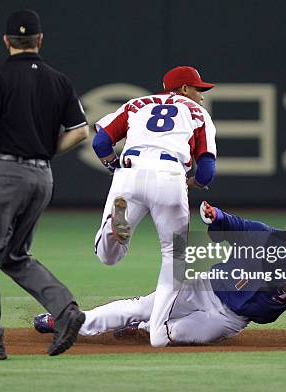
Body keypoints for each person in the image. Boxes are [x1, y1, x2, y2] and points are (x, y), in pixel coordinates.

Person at [33, 202, 286, 348]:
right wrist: (212, 216)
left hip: (227, 319)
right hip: (200, 287)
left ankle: (141, 331)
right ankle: (65, 320)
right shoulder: (260, 234)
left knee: (169, 334)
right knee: (142, 307)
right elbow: (225, 221)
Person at [0, 9, 89, 360]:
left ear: (7, 41)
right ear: (39, 40)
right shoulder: (59, 80)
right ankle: (65, 309)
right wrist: (44, 152)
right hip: (42, 176)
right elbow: (81, 131)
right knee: (14, 255)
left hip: (6, 173)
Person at [88, 66, 217, 347]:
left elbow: (100, 141)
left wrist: (113, 165)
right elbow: (207, 171)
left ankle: (113, 230)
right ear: (183, 89)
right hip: (170, 176)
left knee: (108, 258)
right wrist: (190, 182)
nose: (202, 97)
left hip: (129, 173)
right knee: (175, 260)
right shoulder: (198, 114)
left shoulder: (135, 104)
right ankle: (158, 332)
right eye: (198, 89)